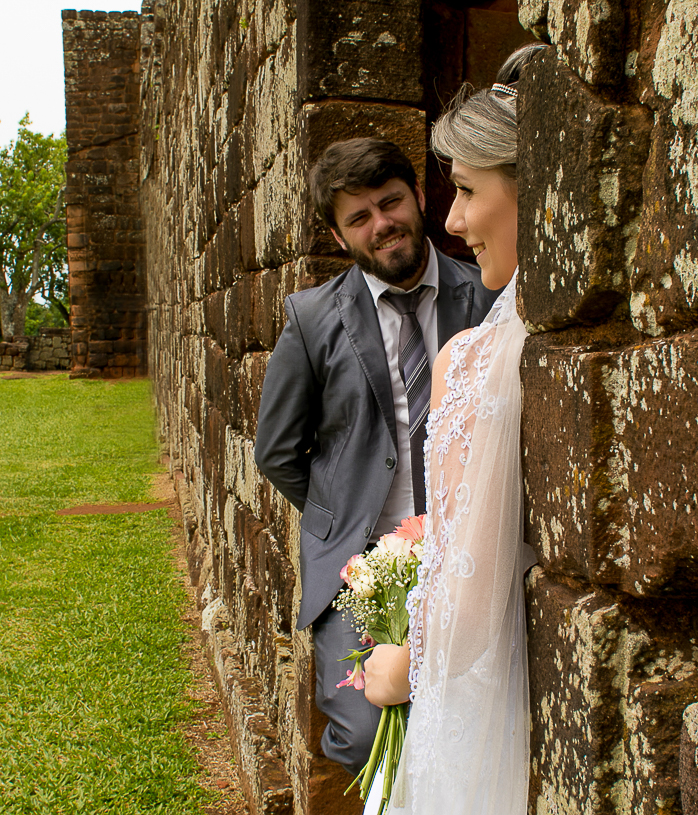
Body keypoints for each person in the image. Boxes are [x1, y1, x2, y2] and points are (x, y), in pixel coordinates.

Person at [253, 138, 499, 777]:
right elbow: (278, 451)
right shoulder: (311, 319)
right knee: (364, 733)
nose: (381, 224)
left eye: (390, 203)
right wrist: (344, 519)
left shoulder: (489, 295)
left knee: (470, 722)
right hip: (360, 566)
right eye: (358, 218)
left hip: (470, 552)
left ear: (420, 199)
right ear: (340, 236)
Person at [363, 42, 547, 814]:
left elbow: (467, 607)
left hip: (466, 692)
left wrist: (397, 665)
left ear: (531, 190)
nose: (454, 218)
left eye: (469, 190)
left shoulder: (473, 358)